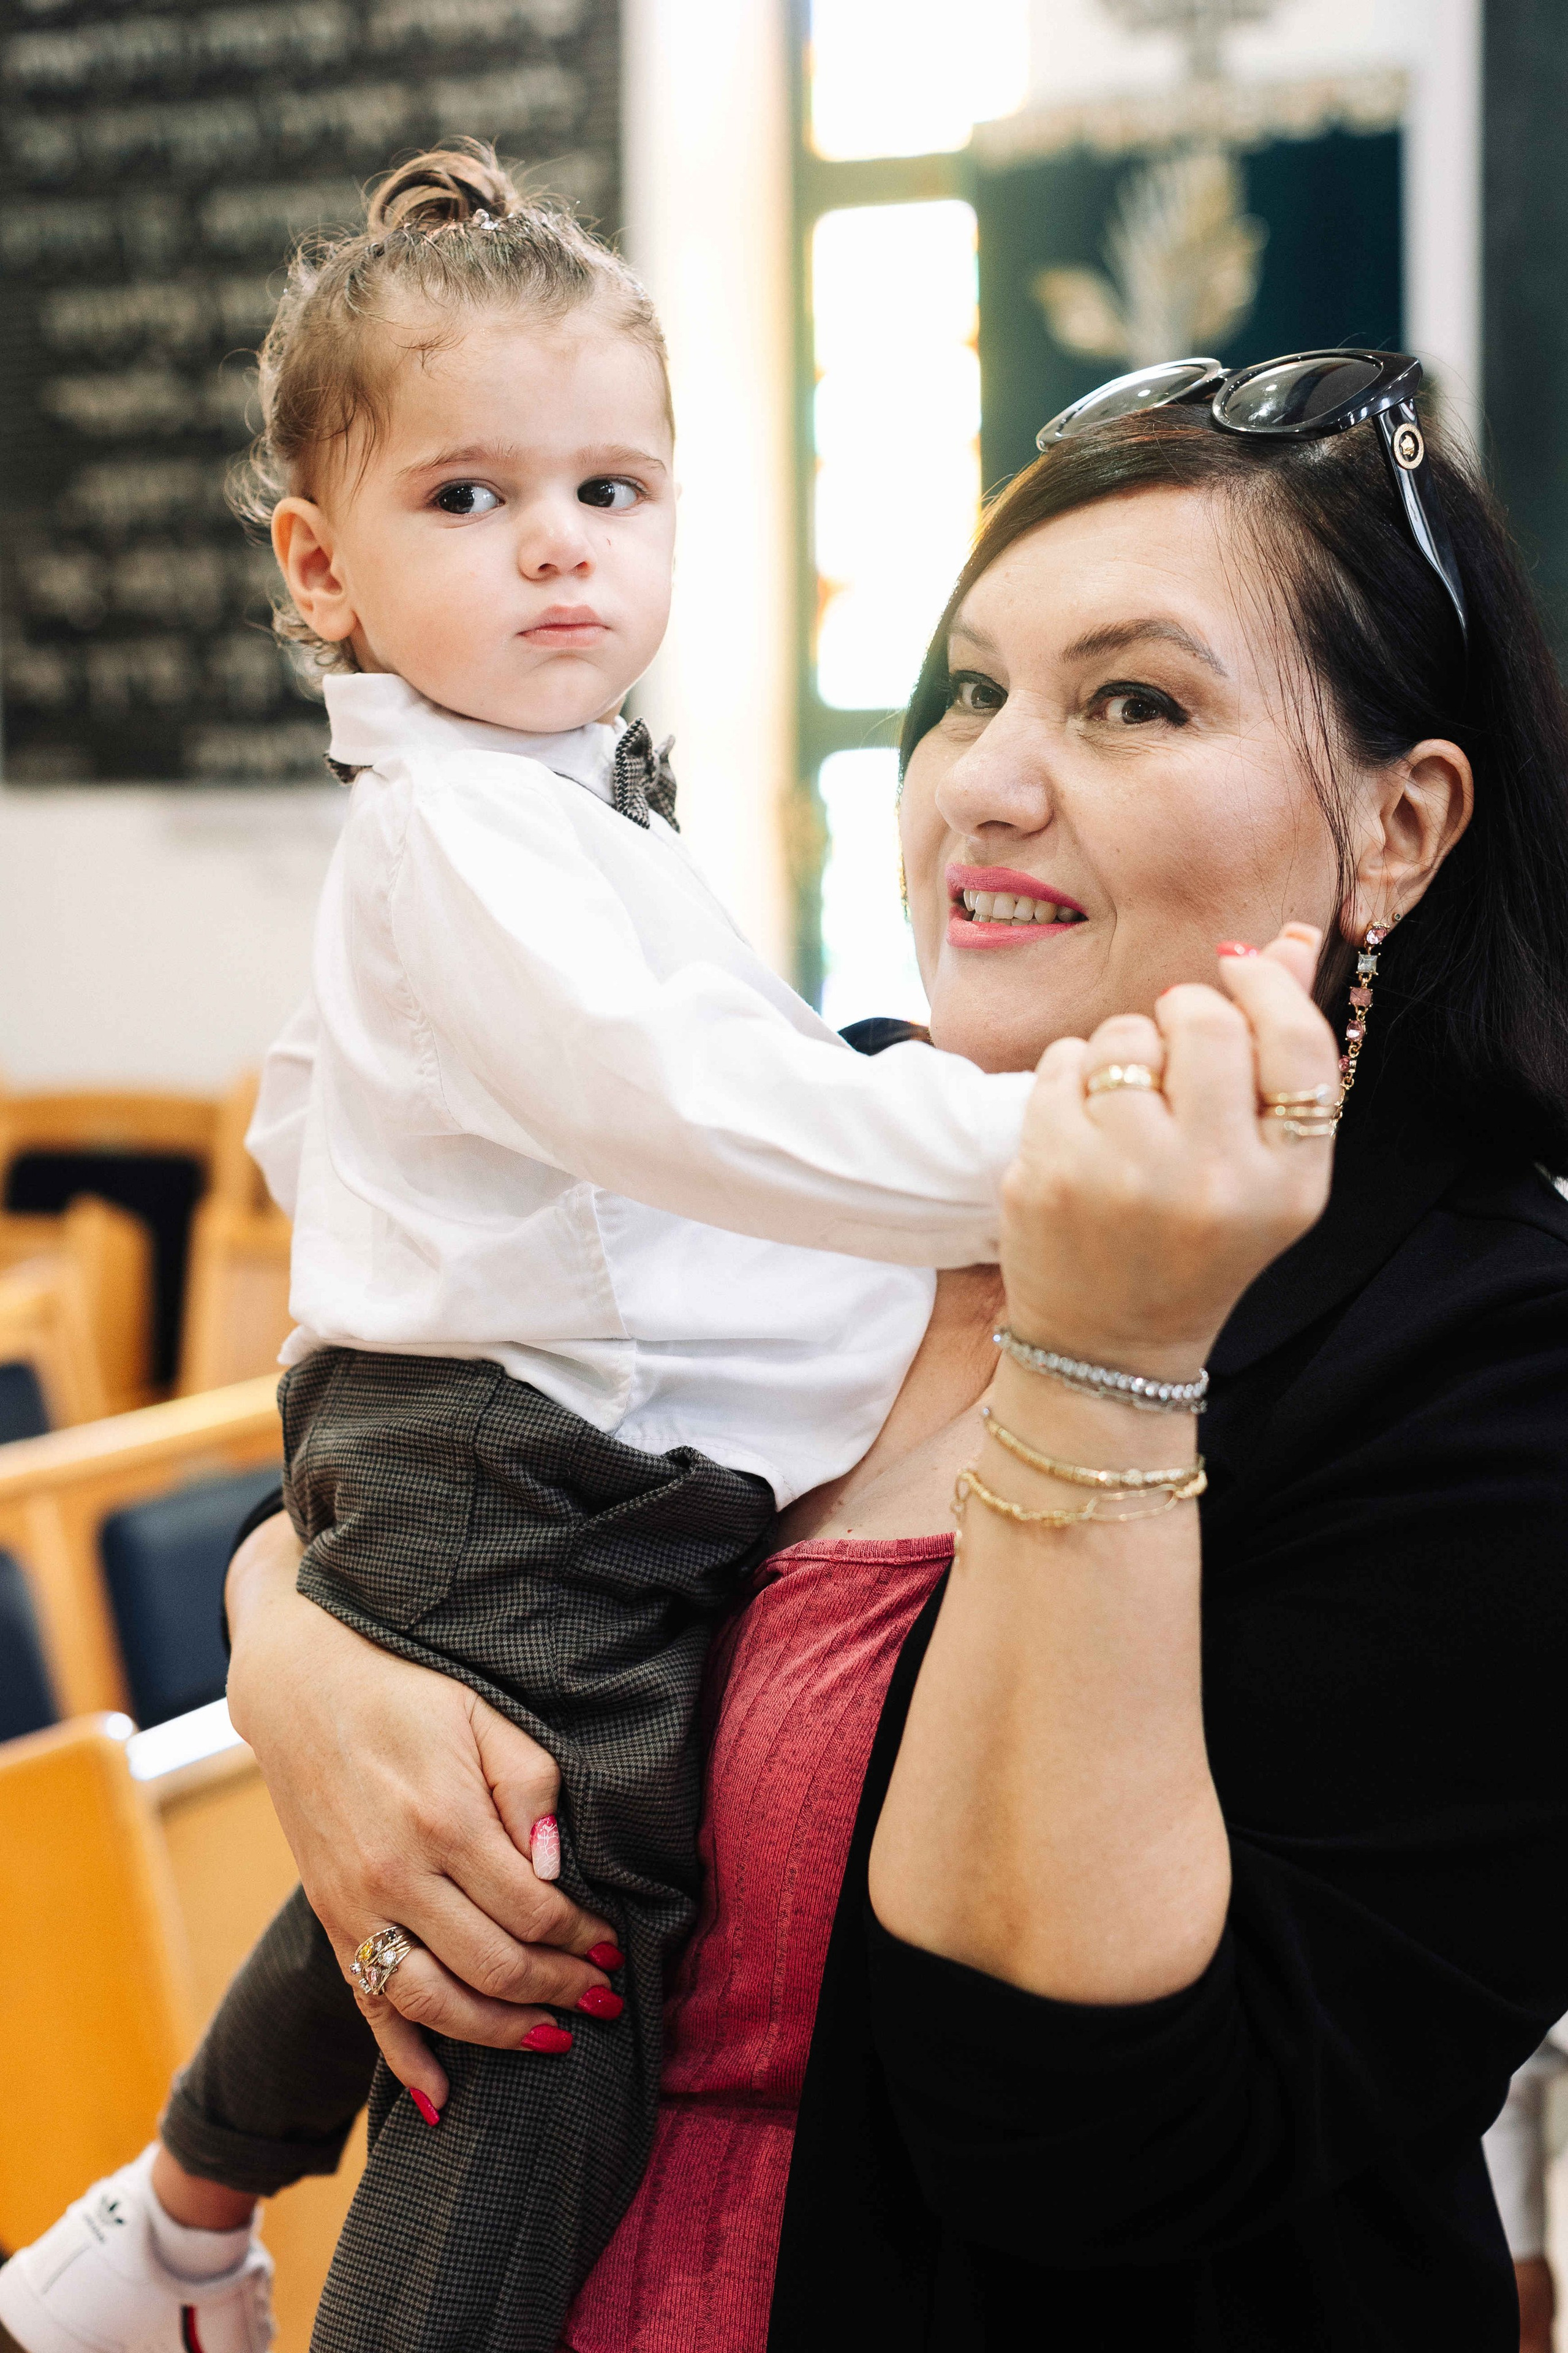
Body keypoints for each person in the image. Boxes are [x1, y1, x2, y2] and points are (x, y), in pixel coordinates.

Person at [141, 368, 1568, 2352]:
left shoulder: (1493, 1356)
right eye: (970, 691)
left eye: (1132, 701)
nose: (986, 781)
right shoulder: (829, 1138)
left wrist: (1108, 1349)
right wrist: (295, 1653)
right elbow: (438, 1425)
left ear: (1399, 827)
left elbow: (1089, 2136)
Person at [0, 136, 1079, 2353]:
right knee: (546, 1970)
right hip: (521, 1462)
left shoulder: (542, 799)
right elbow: (686, 1098)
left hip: (499, 1434)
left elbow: (344, 1091)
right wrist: (1044, 1151)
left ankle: (174, 2222)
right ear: (322, 568)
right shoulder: (470, 826)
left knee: (447, 1864)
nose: (561, 545)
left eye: (612, 488)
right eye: (470, 497)